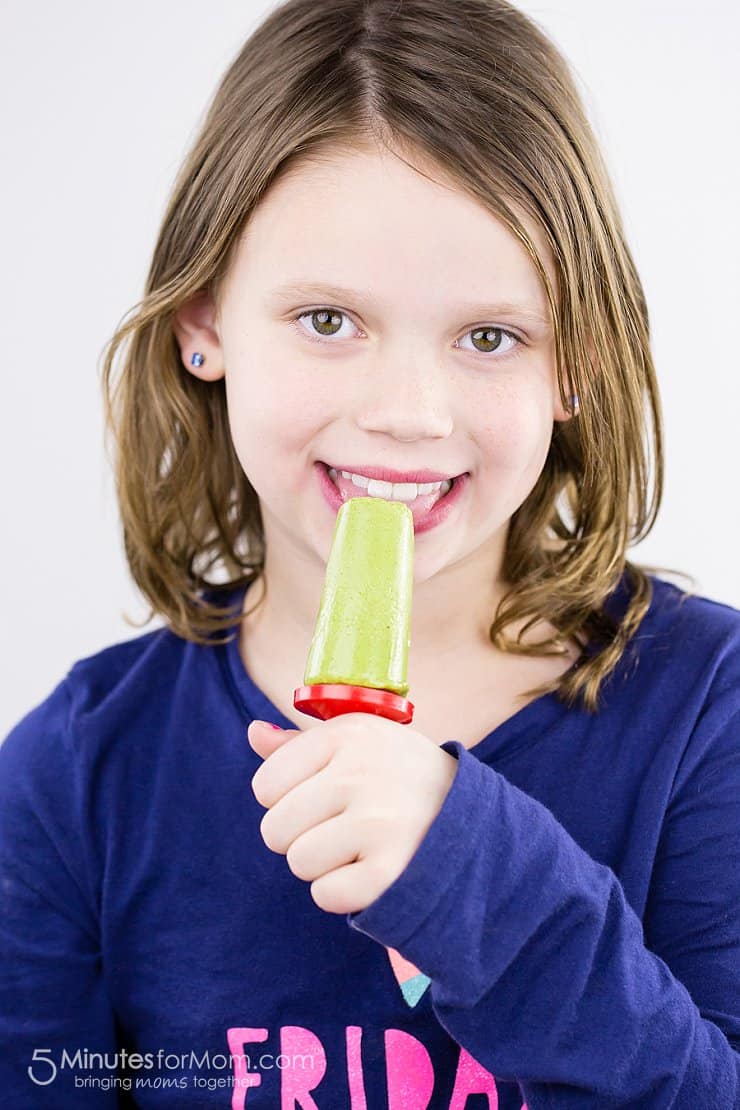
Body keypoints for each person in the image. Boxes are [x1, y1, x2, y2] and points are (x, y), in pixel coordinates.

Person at [1, 0, 738, 1105]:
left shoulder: (705, 713)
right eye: (327, 320)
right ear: (202, 321)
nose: (406, 413)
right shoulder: (76, 776)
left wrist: (471, 873)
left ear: (573, 362)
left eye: (488, 336)